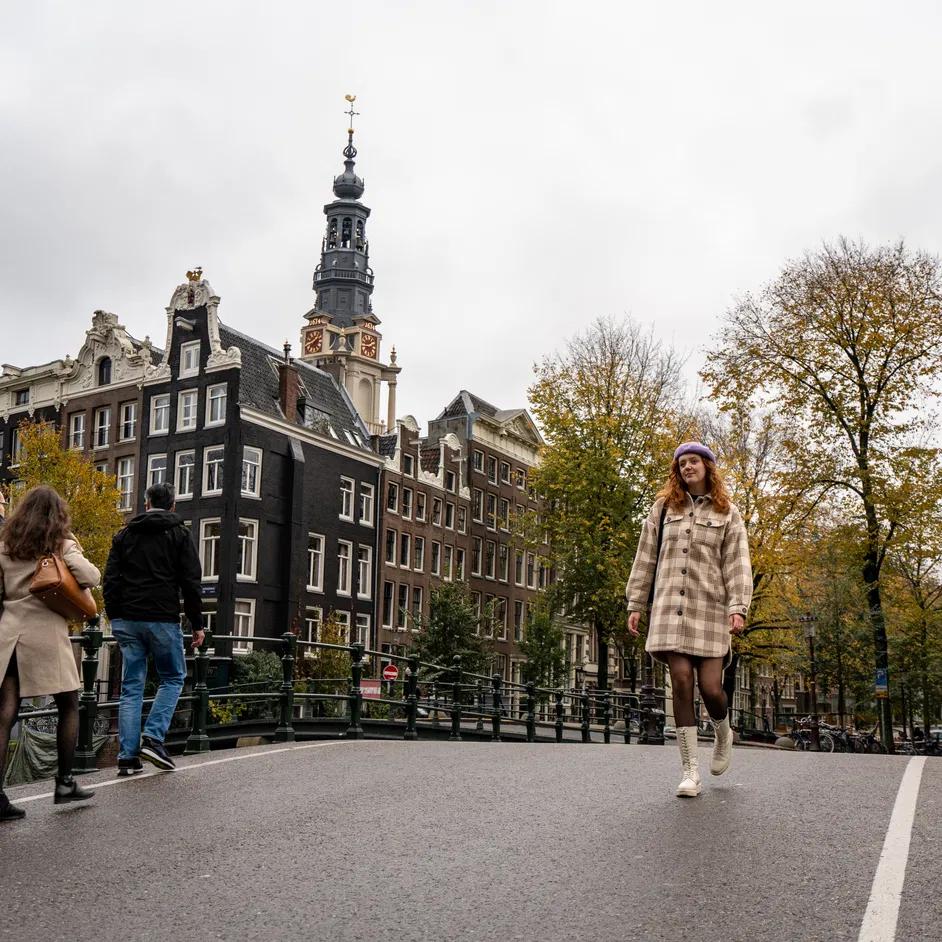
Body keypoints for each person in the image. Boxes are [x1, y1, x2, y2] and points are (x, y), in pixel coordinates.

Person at [626, 442, 752, 798]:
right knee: (681, 680)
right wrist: (636, 602)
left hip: (710, 609)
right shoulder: (663, 508)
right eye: (682, 464)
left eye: (693, 461)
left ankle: (723, 732)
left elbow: (737, 562)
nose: (687, 468)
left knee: (712, 688)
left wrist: (737, 606)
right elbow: (645, 557)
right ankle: (690, 771)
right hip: (669, 608)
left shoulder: (729, 513)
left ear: (708, 466)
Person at [0, 485, 100, 821]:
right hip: (46, 635)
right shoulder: (60, 544)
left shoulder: (5, 544)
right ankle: (65, 782)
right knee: (69, 704)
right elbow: (92, 576)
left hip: (10, 633)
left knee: (5, 712)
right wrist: (68, 548)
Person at [103, 482, 203, 775]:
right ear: (172, 505)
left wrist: (115, 616)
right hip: (161, 617)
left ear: (146, 504)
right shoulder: (180, 535)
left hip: (128, 620)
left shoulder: (124, 534)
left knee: (131, 686)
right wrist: (197, 625)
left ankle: (127, 757)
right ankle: (154, 738)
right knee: (173, 677)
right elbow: (191, 583)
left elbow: (111, 580)